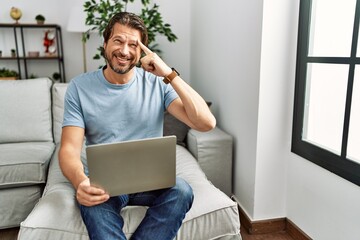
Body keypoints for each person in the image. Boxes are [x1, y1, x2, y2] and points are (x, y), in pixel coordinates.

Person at [59, 12, 216, 240]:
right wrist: (80, 182)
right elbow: (69, 149)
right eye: (118, 41)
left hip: (152, 182)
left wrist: (168, 73)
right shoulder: (79, 88)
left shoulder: (158, 84)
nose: (124, 51)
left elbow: (206, 123)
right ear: (105, 44)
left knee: (181, 191)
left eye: (133, 45)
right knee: (91, 204)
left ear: (142, 51)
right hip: (106, 184)